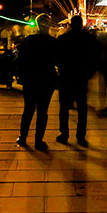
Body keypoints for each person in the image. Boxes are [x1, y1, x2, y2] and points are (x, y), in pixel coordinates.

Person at [55, 15, 99, 147]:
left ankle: (64, 134)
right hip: (81, 77)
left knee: (64, 107)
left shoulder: (63, 38)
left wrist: (61, 69)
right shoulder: (89, 38)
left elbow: (56, 57)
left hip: (66, 76)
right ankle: (81, 136)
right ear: (81, 24)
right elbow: (94, 56)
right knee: (82, 107)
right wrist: (90, 72)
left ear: (70, 24)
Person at [16, 14, 57, 151]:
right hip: (47, 79)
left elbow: (21, 59)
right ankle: (38, 140)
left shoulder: (29, 40)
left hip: (31, 79)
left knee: (28, 109)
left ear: (38, 25)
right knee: (42, 111)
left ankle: (23, 137)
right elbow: (57, 60)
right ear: (49, 25)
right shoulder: (52, 42)